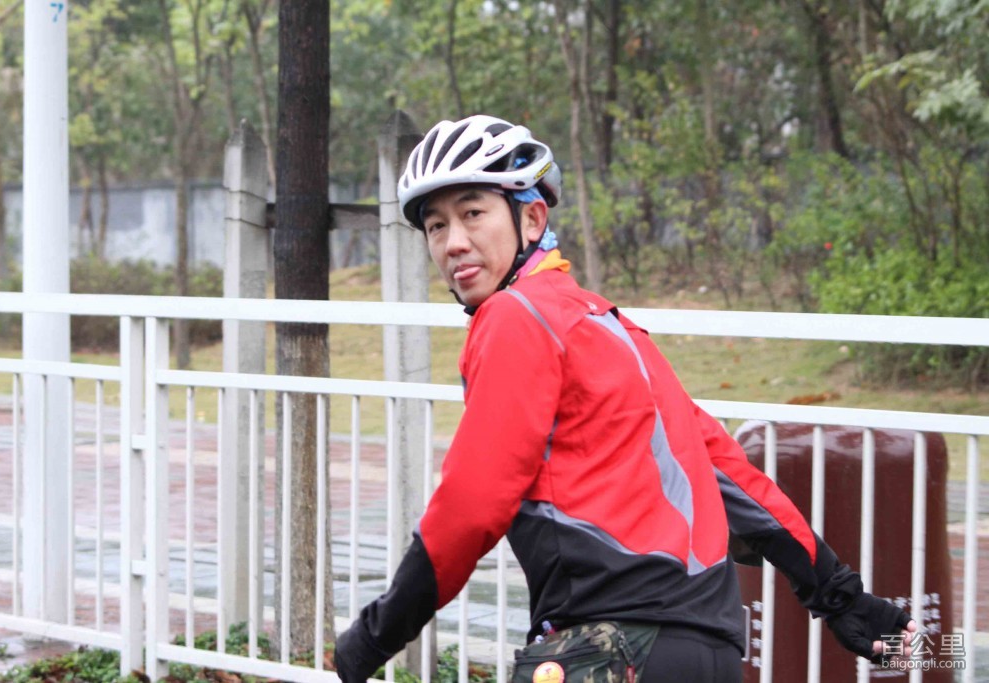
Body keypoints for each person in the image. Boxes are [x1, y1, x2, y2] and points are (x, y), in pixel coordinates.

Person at [334, 115, 916, 682]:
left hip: (609, 648)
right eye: (436, 226)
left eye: (473, 213)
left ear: (532, 218)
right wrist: (842, 598)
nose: (454, 243)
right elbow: (735, 480)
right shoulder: (611, 327)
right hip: (708, 651)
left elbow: (473, 502)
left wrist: (374, 636)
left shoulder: (515, 315)